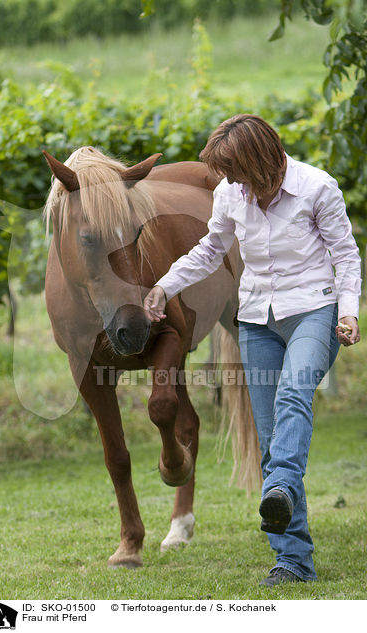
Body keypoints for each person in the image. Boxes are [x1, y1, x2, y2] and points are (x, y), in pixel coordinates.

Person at [143, 114, 362, 587]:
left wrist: (350, 311)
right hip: (257, 321)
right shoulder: (230, 195)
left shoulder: (316, 188)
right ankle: (294, 561)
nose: (228, 180)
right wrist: (163, 286)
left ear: (259, 160)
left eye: (234, 169)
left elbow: (345, 255)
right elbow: (209, 250)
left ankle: (279, 489)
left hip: (314, 313)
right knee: (270, 439)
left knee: (292, 397)